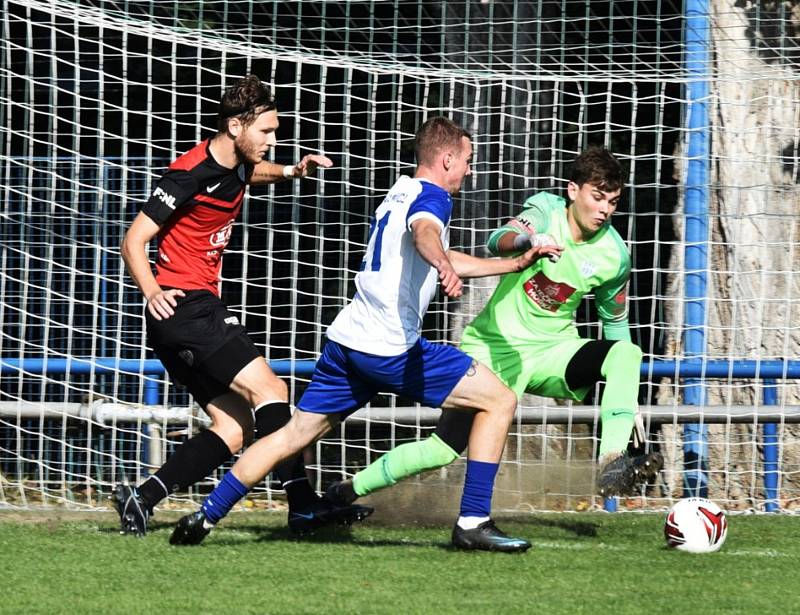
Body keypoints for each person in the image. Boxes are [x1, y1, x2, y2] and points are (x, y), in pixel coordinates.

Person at [169, 117, 561, 552]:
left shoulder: (402, 189)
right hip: (390, 349)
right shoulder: (433, 198)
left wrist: (512, 264)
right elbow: (426, 234)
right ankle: (472, 522)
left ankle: (206, 516)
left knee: (293, 434)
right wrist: (443, 266)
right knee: (499, 399)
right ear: (447, 158)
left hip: (348, 342)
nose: (469, 169)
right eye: (467, 160)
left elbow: (435, 247)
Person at [326, 146, 663, 512]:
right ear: (572, 190)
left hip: (553, 352)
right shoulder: (545, 210)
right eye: (597, 198)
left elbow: (614, 322)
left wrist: (628, 402)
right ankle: (345, 491)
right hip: (493, 348)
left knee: (626, 353)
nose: (604, 210)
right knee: (441, 449)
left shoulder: (615, 256)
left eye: (612, 202)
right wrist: (527, 242)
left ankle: (611, 462)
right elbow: (498, 239)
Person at [115, 74, 372, 536]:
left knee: (234, 427)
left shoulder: (236, 164)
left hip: (185, 318)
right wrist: (153, 290)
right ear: (236, 126)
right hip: (188, 308)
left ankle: (143, 496)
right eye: (267, 131)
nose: (273, 140)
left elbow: (250, 173)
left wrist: (292, 171)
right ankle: (302, 505)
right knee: (272, 393)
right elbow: (133, 240)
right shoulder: (187, 174)